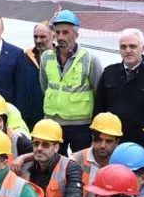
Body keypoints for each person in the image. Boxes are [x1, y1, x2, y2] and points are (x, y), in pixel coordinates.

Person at [40, 10, 104, 152]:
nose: (60, 37)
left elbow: (99, 90)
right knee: (53, 163)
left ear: (76, 34)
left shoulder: (89, 59)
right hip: (52, 122)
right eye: (58, 32)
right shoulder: (46, 57)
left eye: (65, 32)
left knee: (81, 163)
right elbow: (44, 86)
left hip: (80, 126)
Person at [94, 28, 144, 146]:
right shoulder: (109, 73)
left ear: (143, 48)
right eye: (123, 47)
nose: (127, 50)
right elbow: (99, 109)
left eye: (132, 46)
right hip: (111, 143)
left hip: (143, 144)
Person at [17, 22, 51, 128]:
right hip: (29, 116)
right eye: (35, 37)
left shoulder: (59, 58)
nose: (38, 40)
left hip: (51, 115)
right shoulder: (25, 57)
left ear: (52, 36)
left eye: (43, 37)